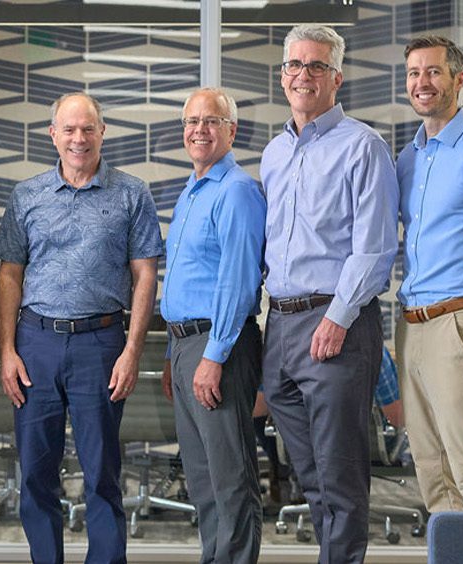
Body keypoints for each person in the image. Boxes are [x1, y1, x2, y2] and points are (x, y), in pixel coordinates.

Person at [0, 92, 162, 564]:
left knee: (102, 474)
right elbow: (9, 275)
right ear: (53, 135)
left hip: (101, 344)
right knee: (35, 474)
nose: (78, 138)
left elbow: (145, 275)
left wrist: (132, 352)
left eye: (88, 128)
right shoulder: (27, 196)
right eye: (68, 129)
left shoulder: (132, 194)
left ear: (102, 133)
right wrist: (7, 351)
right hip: (36, 345)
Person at [260, 24, 398, 563]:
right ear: (282, 76)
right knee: (311, 476)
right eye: (295, 65)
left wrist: (337, 319)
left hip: (335, 323)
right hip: (281, 326)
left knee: (340, 475)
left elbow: (375, 247)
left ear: (336, 78)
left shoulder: (363, 146)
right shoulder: (274, 153)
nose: (304, 75)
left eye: (317, 65)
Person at [397, 34, 463, 512]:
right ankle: (447, 549)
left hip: (461, 323)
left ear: (459, 79)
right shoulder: (408, 159)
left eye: (433, 71)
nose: (422, 82)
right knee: (431, 470)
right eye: (414, 73)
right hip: (412, 328)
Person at [159, 88, 266, 563]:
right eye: (192, 121)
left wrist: (213, 356)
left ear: (231, 131)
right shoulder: (191, 192)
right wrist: (173, 354)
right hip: (186, 346)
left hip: (219, 345)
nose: (199, 130)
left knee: (230, 478)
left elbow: (238, 282)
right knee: (202, 482)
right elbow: (187, 280)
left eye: (211, 121)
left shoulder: (237, 191)